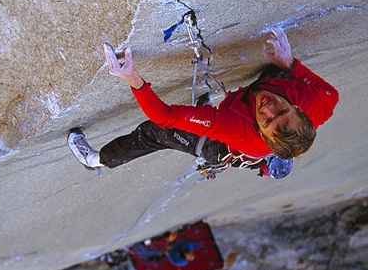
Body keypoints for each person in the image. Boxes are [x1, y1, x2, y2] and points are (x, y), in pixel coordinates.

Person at [67, 28, 339, 178]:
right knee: (278, 76)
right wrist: (290, 65)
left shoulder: (235, 129)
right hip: (260, 131)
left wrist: (133, 78)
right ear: (300, 110)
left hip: (218, 147)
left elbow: (165, 117)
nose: (268, 107)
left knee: (154, 133)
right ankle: (224, 106)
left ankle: (95, 161)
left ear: (261, 130)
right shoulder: (318, 103)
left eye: (267, 120)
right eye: (281, 110)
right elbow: (331, 93)